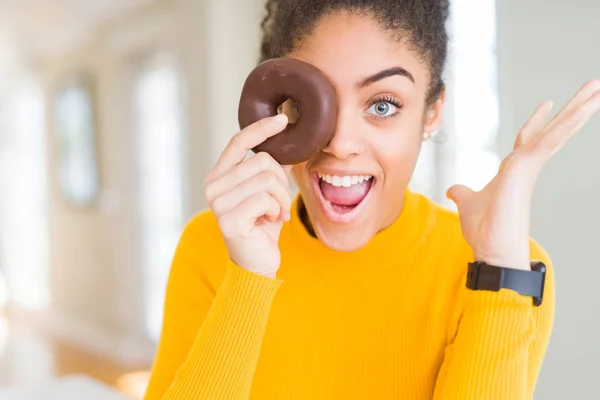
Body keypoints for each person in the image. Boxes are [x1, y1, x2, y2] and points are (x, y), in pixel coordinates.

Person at [143, 0, 600, 399]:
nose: (340, 143)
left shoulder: (508, 271)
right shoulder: (210, 248)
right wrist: (248, 279)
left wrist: (499, 269)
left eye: (382, 105)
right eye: (306, 105)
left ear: (432, 112)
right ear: (278, 105)